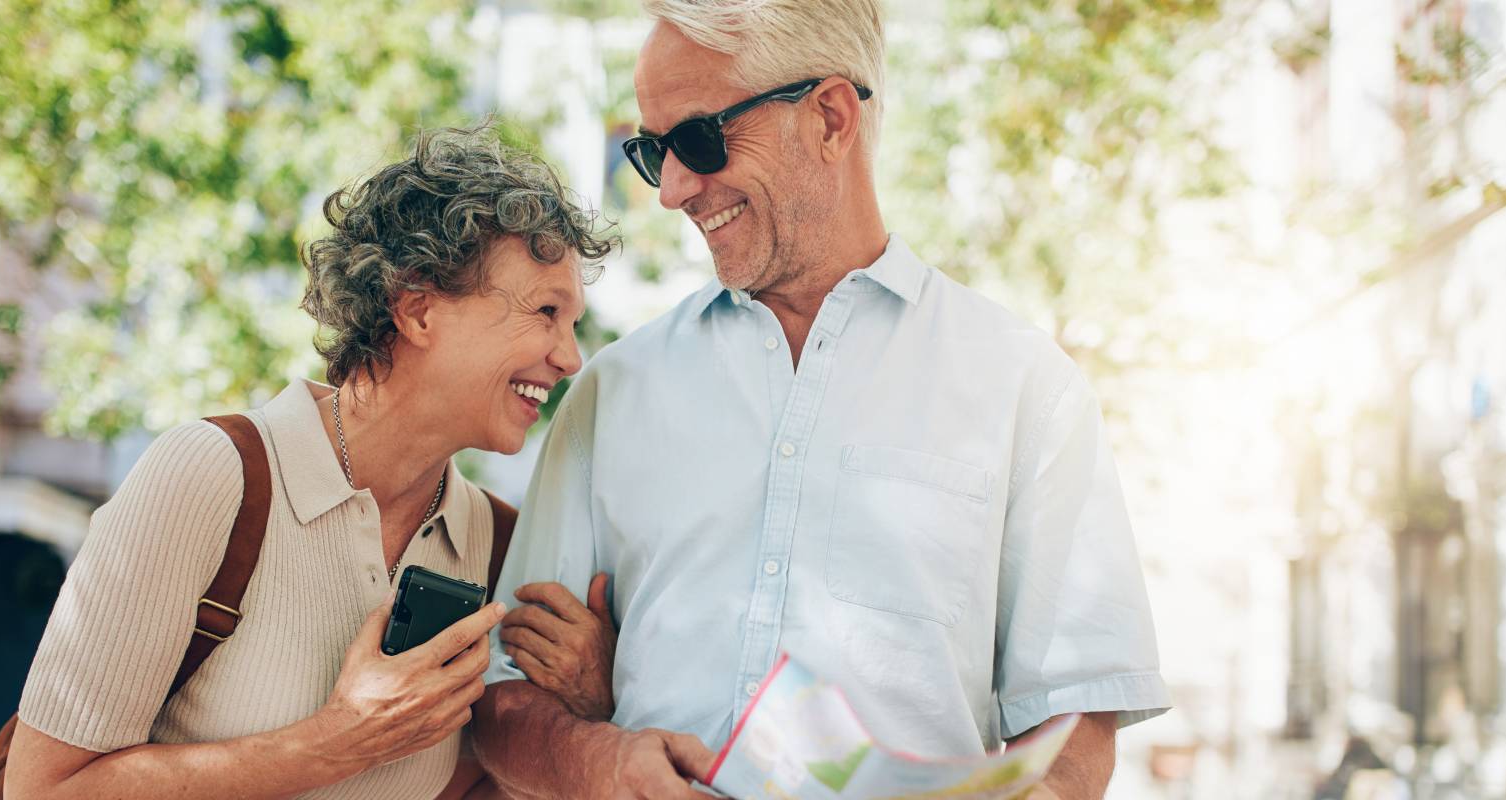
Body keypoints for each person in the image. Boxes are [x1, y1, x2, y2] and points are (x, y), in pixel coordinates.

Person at [471, 2, 1171, 798]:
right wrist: (595, 762)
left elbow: (1076, 721)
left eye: (699, 139)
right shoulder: (612, 390)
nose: (671, 189)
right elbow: (502, 698)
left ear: (831, 118)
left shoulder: (1025, 388)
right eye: (653, 151)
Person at [4, 126, 618, 800]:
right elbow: (43, 790)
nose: (569, 358)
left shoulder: (499, 542)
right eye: (546, 312)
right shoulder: (212, 477)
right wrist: (335, 743)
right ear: (417, 309)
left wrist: (589, 700)